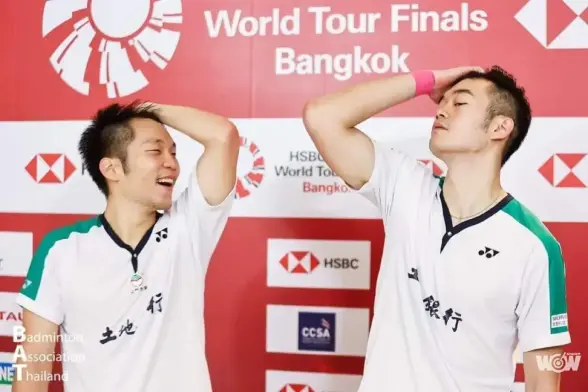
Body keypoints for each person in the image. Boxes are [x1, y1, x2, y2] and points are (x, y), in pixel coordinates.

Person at [302, 66, 571, 391]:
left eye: (460, 104)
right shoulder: (404, 185)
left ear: (500, 127)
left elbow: (544, 379)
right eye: (442, 102)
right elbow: (321, 117)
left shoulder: (536, 247)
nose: (441, 110)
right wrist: (426, 81)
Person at [13, 102, 240, 392]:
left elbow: (224, 135)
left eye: (173, 152)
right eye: (155, 151)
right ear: (112, 168)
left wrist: (147, 109)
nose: (171, 163)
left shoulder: (187, 229)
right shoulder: (61, 250)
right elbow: (33, 365)